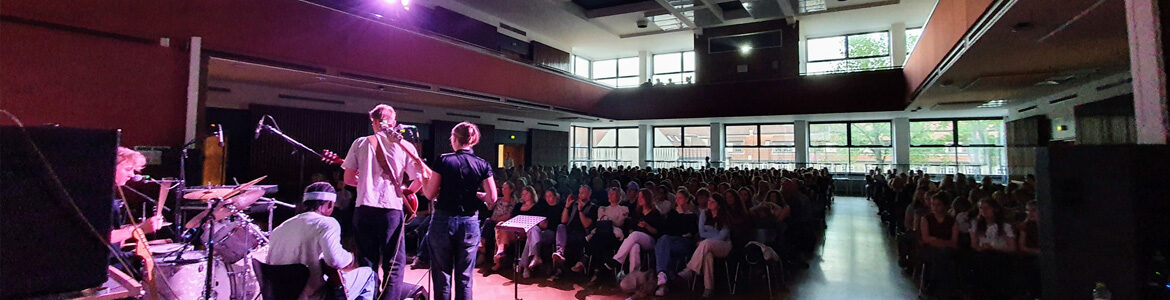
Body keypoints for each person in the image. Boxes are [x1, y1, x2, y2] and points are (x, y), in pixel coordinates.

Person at [342, 104, 429, 300]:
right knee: (394, 263)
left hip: (363, 208)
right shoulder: (403, 145)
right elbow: (418, 179)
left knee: (366, 260)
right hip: (391, 210)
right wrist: (407, 192)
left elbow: (348, 179)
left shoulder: (360, 143)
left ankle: (368, 297)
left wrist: (365, 182)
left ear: (373, 123)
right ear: (394, 123)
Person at [419, 121, 496, 300]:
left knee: (441, 276)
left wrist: (423, 177)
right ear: (473, 140)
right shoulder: (482, 164)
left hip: (443, 221)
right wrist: (476, 194)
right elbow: (492, 198)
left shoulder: (444, 160)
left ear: (455, 139)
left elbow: (430, 194)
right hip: (469, 223)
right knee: (464, 277)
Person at [268, 182, 377, 300]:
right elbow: (335, 261)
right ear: (330, 204)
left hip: (280, 294)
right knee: (369, 274)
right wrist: (350, 258)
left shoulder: (280, 227)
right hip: (310, 294)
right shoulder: (327, 223)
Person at [678, 194, 732, 298]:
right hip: (708, 246)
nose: (709, 204)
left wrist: (707, 240)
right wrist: (711, 237)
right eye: (709, 201)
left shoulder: (724, 216)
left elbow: (723, 236)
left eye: (712, 202)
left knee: (705, 243)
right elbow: (701, 232)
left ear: (719, 205)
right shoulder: (704, 214)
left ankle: (690, 270)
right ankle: (708, 288)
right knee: (707, 255)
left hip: (724, 245)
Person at [111, 147, 165, 246]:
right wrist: (141, 228)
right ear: (110, 168)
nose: (132, 175)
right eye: (128, 169)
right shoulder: (95, 196)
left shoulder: (110, 195)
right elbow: (105, 236)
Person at [653, 190, 698, 296]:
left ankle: (662, 277)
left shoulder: (692, 215)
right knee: (664, 242)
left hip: (684, 243)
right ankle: (663, 277)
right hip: (671, 241)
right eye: (676, 198)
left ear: (687, 199)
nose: (677, 200)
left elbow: (692, 232)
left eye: (680, 198)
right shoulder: (672, 213)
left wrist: (682, 216)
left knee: (663, 244)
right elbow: (667, 229)